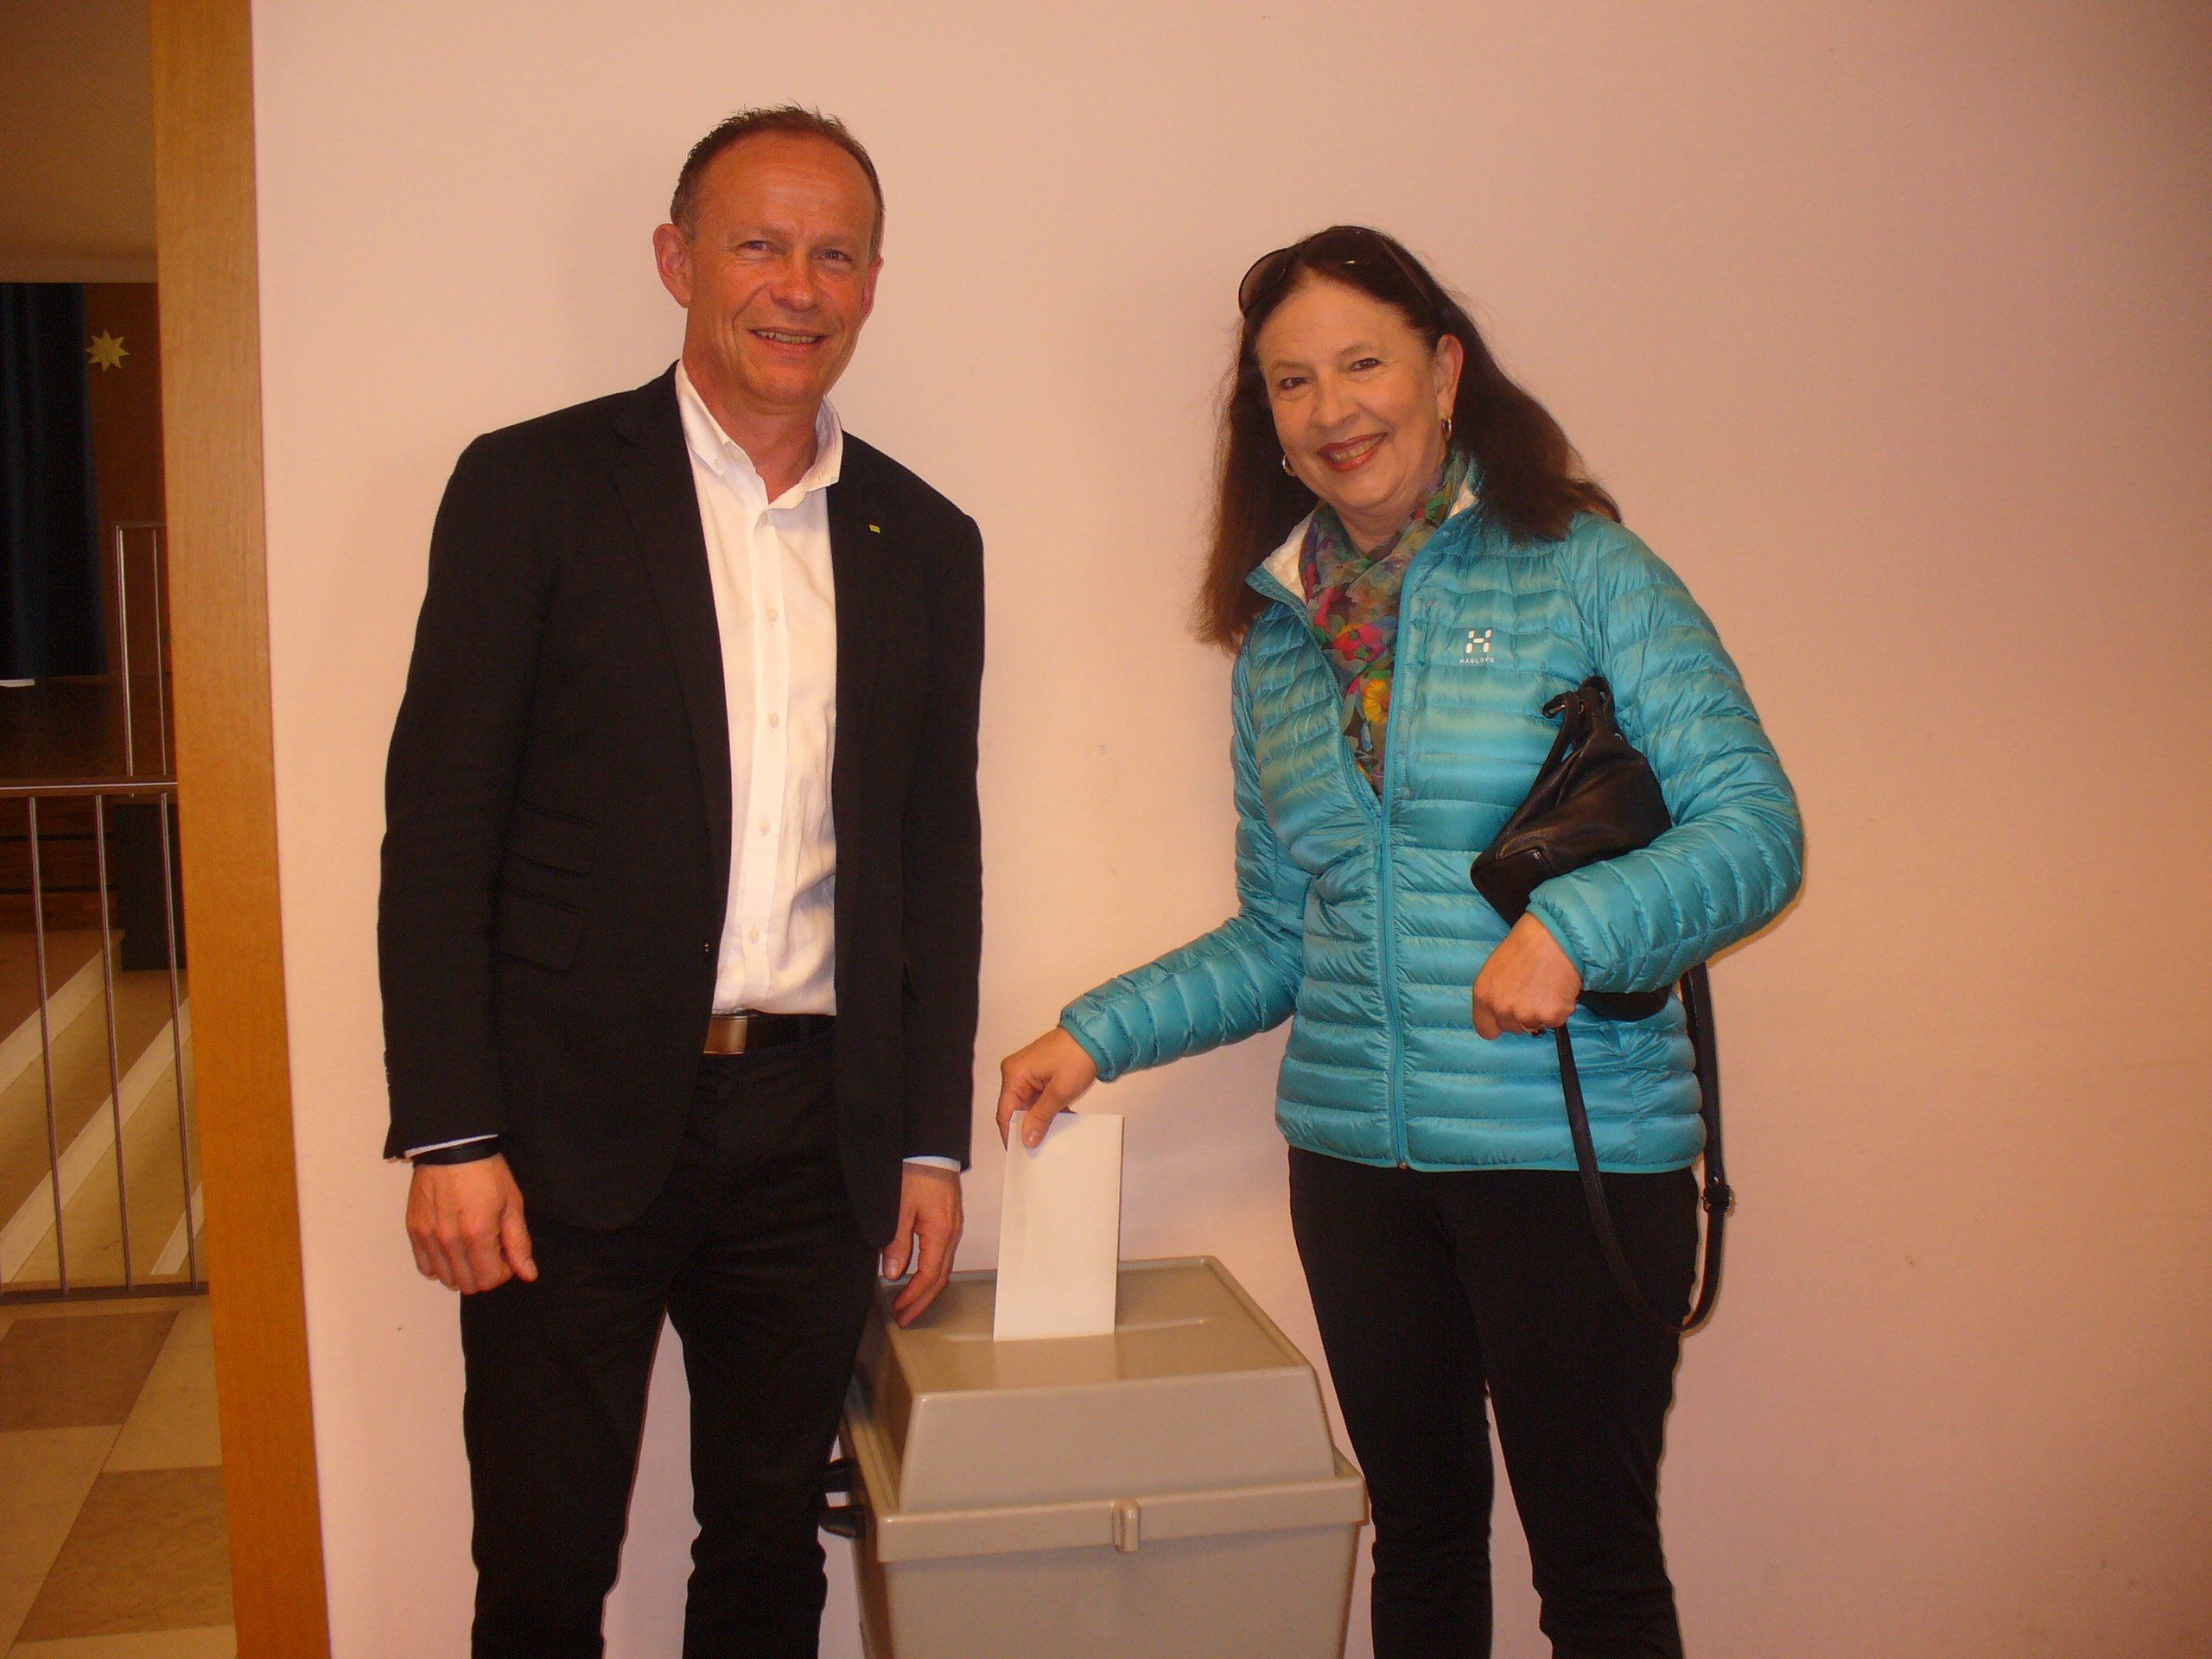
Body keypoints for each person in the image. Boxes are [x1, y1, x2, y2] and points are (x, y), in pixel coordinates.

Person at [998, 225, 1802, 1659]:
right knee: (1421, 1551)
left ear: (1443, 370)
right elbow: (1281, 935)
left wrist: (1575, 929)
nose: (1333, 409)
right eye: (1292, 382)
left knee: (1595, 1575)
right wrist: (1093, 1033)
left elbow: (1756, 830)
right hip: (1358, 1174)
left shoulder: (1587, 571)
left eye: (1362, 363)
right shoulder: (1279, 645)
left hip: (1572, 1157)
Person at [378, 107, 983, 1658]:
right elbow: (439, 830)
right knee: (543, 1561)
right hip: (557, 1131)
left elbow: (935, 858)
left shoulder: (926, 539)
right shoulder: (532, 486)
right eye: (759, 245)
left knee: (770, 1551)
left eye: (835, 254)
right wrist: (450, 1131)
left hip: (814, 1132)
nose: (799, 286)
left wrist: (929, 1140)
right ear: (677, 260)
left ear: (872, 283)